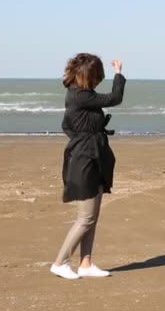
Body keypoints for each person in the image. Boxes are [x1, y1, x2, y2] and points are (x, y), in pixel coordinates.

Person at [50, 53, 126, 279]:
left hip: (94, 156)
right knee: (85, 218)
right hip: (85, 159)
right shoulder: (80, 96)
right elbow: (114, 98)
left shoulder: (81, 96)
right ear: (90, 75)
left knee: (92, 216)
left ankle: (86, 263)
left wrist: (84, 138)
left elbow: (66, 125)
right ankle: (60, 262)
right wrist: (119, 74)